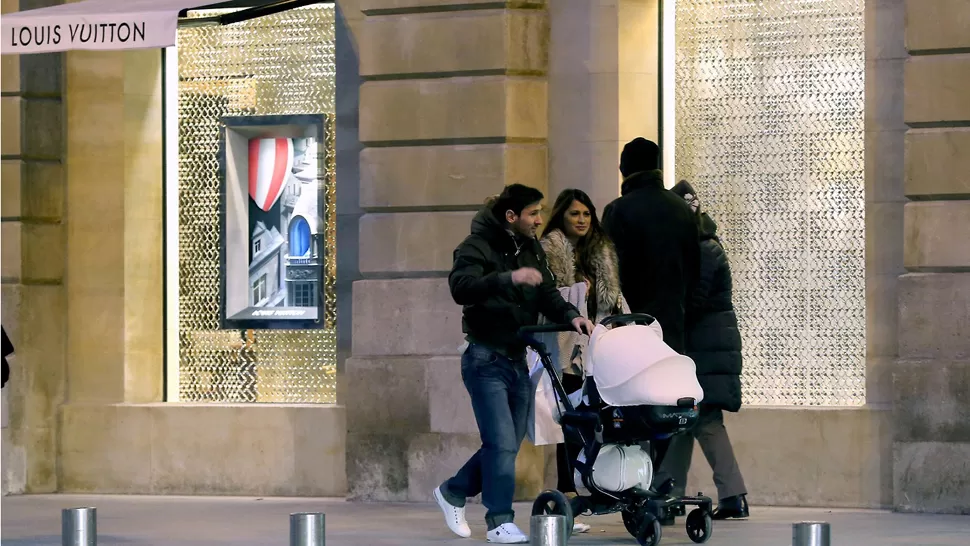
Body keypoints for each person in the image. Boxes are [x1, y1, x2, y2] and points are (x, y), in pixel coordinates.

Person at [434, 184, 594, 544]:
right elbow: (461, 287)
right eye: (533, 213)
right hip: (484, 358)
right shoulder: (476, 245)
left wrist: (572, 316)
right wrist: (509, 277)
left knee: (505, 442)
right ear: (511, 217)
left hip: (518, 356)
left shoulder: (531, 248)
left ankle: (452, 491)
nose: (540, 219)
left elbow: (548, 292)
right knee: (502, 442)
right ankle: (499, 521)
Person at [601, 138, 700, 477]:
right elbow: (695, 271)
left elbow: (609, 272)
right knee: (667, 404)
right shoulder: (681, 211)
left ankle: (633, 481)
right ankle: (661, 482)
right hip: (672, 324)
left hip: (632, 327)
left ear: (625, 169)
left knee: (629, 405)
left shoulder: (618, 211)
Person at [652, 180, 749, 520]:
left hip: (703, 346)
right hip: (704, 344)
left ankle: (729, 495)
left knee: (702, 418)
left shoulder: (703, 249)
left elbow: (693, 299)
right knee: (687, 418)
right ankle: (669, 491)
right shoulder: (700, 245)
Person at [538, 189, 628, 504]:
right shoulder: (548, 250)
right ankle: (568, 486)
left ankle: (595, 480)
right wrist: (575, 291)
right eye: (575, 213)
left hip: (597, 347)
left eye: (586, 214)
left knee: (597, 415)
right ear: (562, 215)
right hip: (566, 350)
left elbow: (612, 299)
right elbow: (547, 299)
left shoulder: (601, 251)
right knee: (570, 417)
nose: (581, 220)